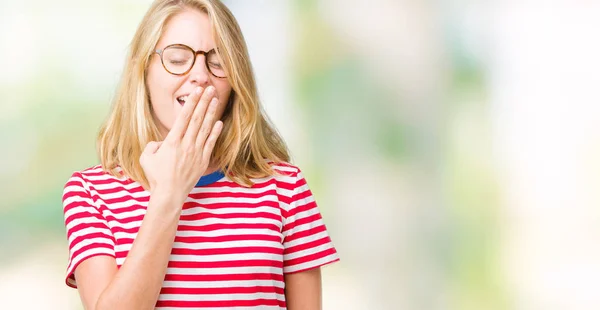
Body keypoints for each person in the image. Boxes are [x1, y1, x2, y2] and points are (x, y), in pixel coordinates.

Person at [60, 0, 339, 309]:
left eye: (218, 62)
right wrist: (169, 193)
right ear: (142, 70)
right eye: (177, 59)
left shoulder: (285, 187)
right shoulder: (90, 192)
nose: (200, 76)